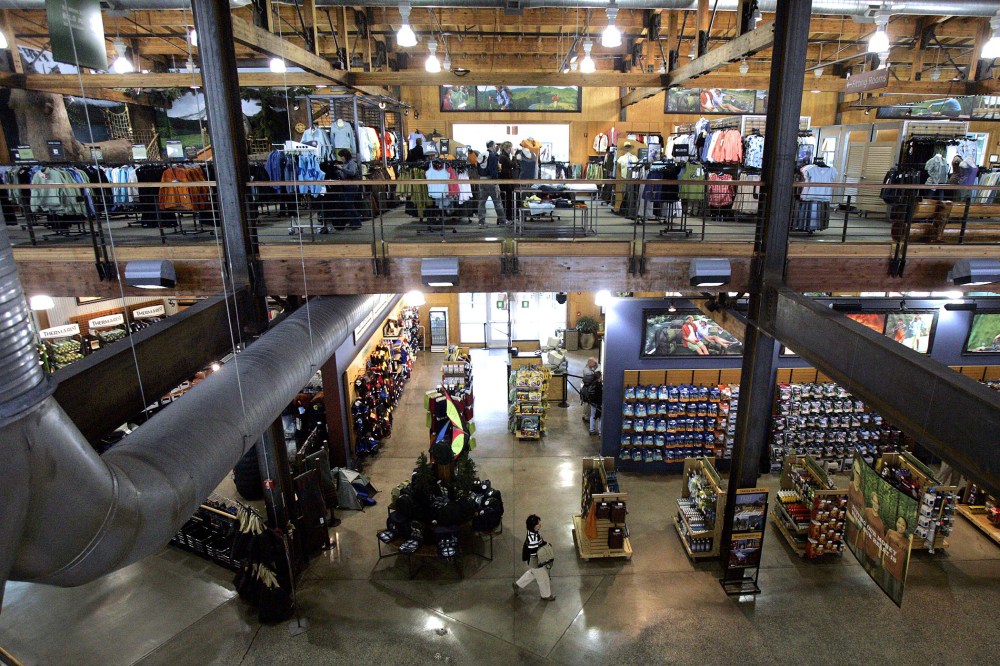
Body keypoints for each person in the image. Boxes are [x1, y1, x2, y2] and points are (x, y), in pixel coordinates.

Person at [513, 515, 555, 601]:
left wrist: (545, 543)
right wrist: (539, 563)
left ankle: (517, 585)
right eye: (538, 524)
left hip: (533, 561)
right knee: (543, 578)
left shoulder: (533, 532)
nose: (540, 525)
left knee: (533, 573)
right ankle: (546, 595)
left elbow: (539, 543)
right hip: (535, 561)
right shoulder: (533, 538)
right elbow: (533, 554)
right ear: (533, 526)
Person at [477, 140, 508, 227]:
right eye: (495, 146)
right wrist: (496, 184)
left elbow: (478, 169)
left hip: (481, 180)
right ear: (493, 146)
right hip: (491, 180)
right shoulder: (493, 156)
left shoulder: (481, 155)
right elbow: (493, 171)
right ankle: (502, 221)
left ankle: (481, 222)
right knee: (497, 202)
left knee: (482, 202)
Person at [581, 357, 602, 436]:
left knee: (592, 415)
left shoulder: (591, 370)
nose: (595, 364)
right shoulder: (587, 371)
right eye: (594, 363)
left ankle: (591, 429)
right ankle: (600, 432)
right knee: (587, 406)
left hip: (592, 399)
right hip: (595, 400)